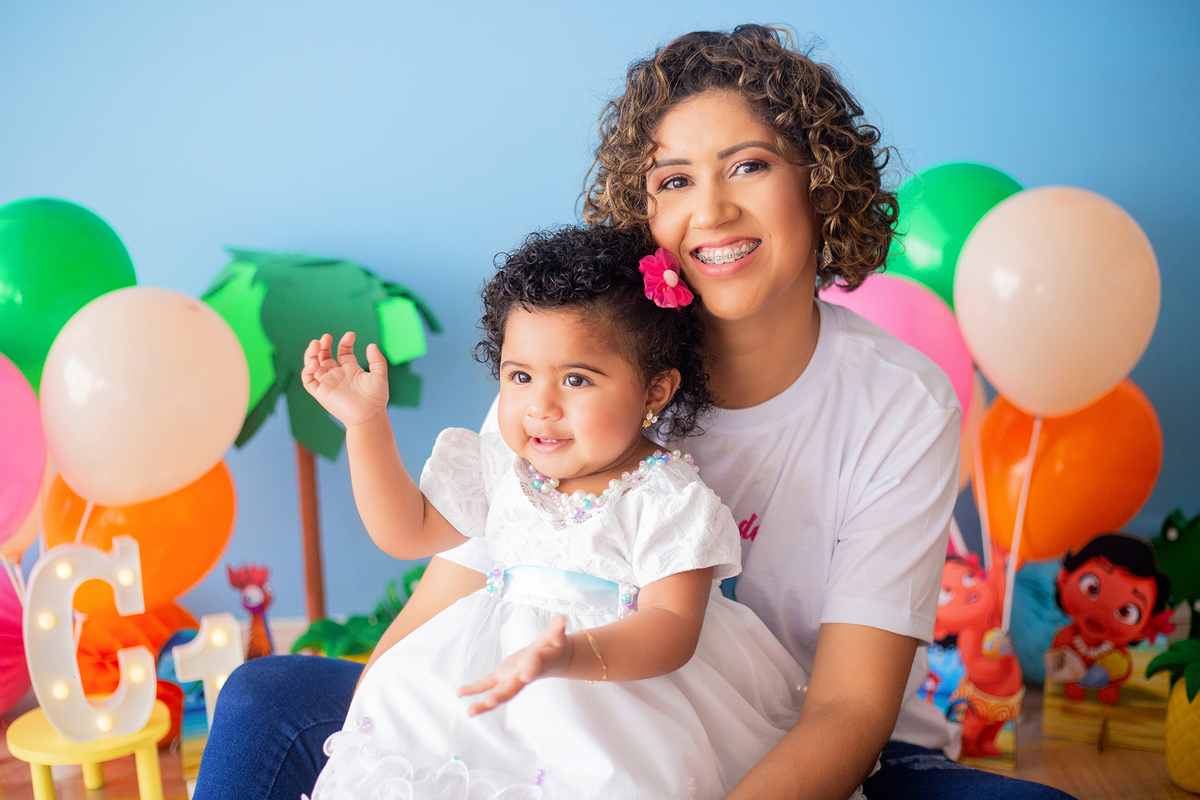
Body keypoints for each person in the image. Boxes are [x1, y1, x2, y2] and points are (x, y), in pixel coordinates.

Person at [195, 25, 1074, 800]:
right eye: (675, 179)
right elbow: (450, 590)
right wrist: (381, 750)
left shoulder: (897, 400)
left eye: (750, 166)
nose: (713, 209)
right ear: (643, 211)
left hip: (800, 751)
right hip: (535, 737)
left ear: (820, 182)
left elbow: (846, 708)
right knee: (268, 699)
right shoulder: (578, 370)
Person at [303, 225, 810, 799]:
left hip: (612, 699)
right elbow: (404, 533)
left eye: (576, 379)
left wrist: (571, 652)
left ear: (654, 391)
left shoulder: (666, 498)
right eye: (520, 376)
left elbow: (672, 629)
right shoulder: (501, 468)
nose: (541, 406)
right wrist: (365, 425)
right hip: (483, 689)